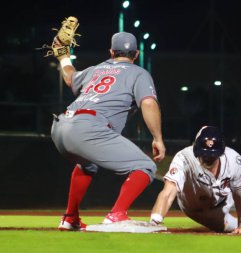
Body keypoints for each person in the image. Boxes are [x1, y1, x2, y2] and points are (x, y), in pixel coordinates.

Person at [51, 31, 166, 231]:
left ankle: (70, 217)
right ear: (136, 54)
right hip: (88, 127)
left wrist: (63, 57)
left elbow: (70, 77)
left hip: (60, 125)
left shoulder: (96, 70)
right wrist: (157, 138)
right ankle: (116, 214)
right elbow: (148, 102)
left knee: (87, 165)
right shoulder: (138, 73)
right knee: (145, 166)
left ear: (111, 52)